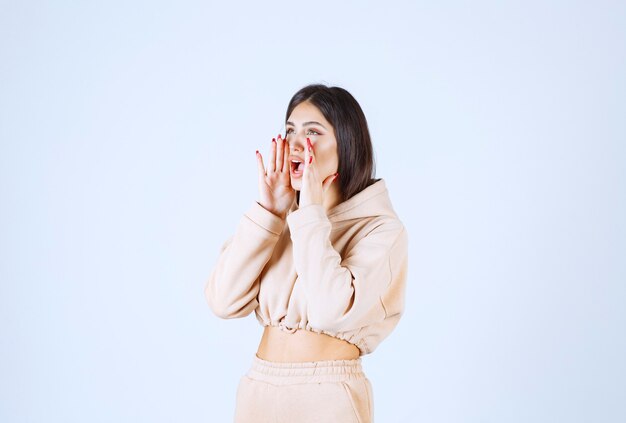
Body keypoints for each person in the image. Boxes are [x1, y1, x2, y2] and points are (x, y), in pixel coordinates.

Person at [205, 83, 409, 423]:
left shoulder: (382, 230)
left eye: (313, 132)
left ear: (347, 144)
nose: (296, 143)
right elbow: (222, 301)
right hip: (259, 392)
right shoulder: (283, 220)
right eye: (289, 130)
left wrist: (310, 213)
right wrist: (269, 212)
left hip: (328, 398)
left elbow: (332, 311)